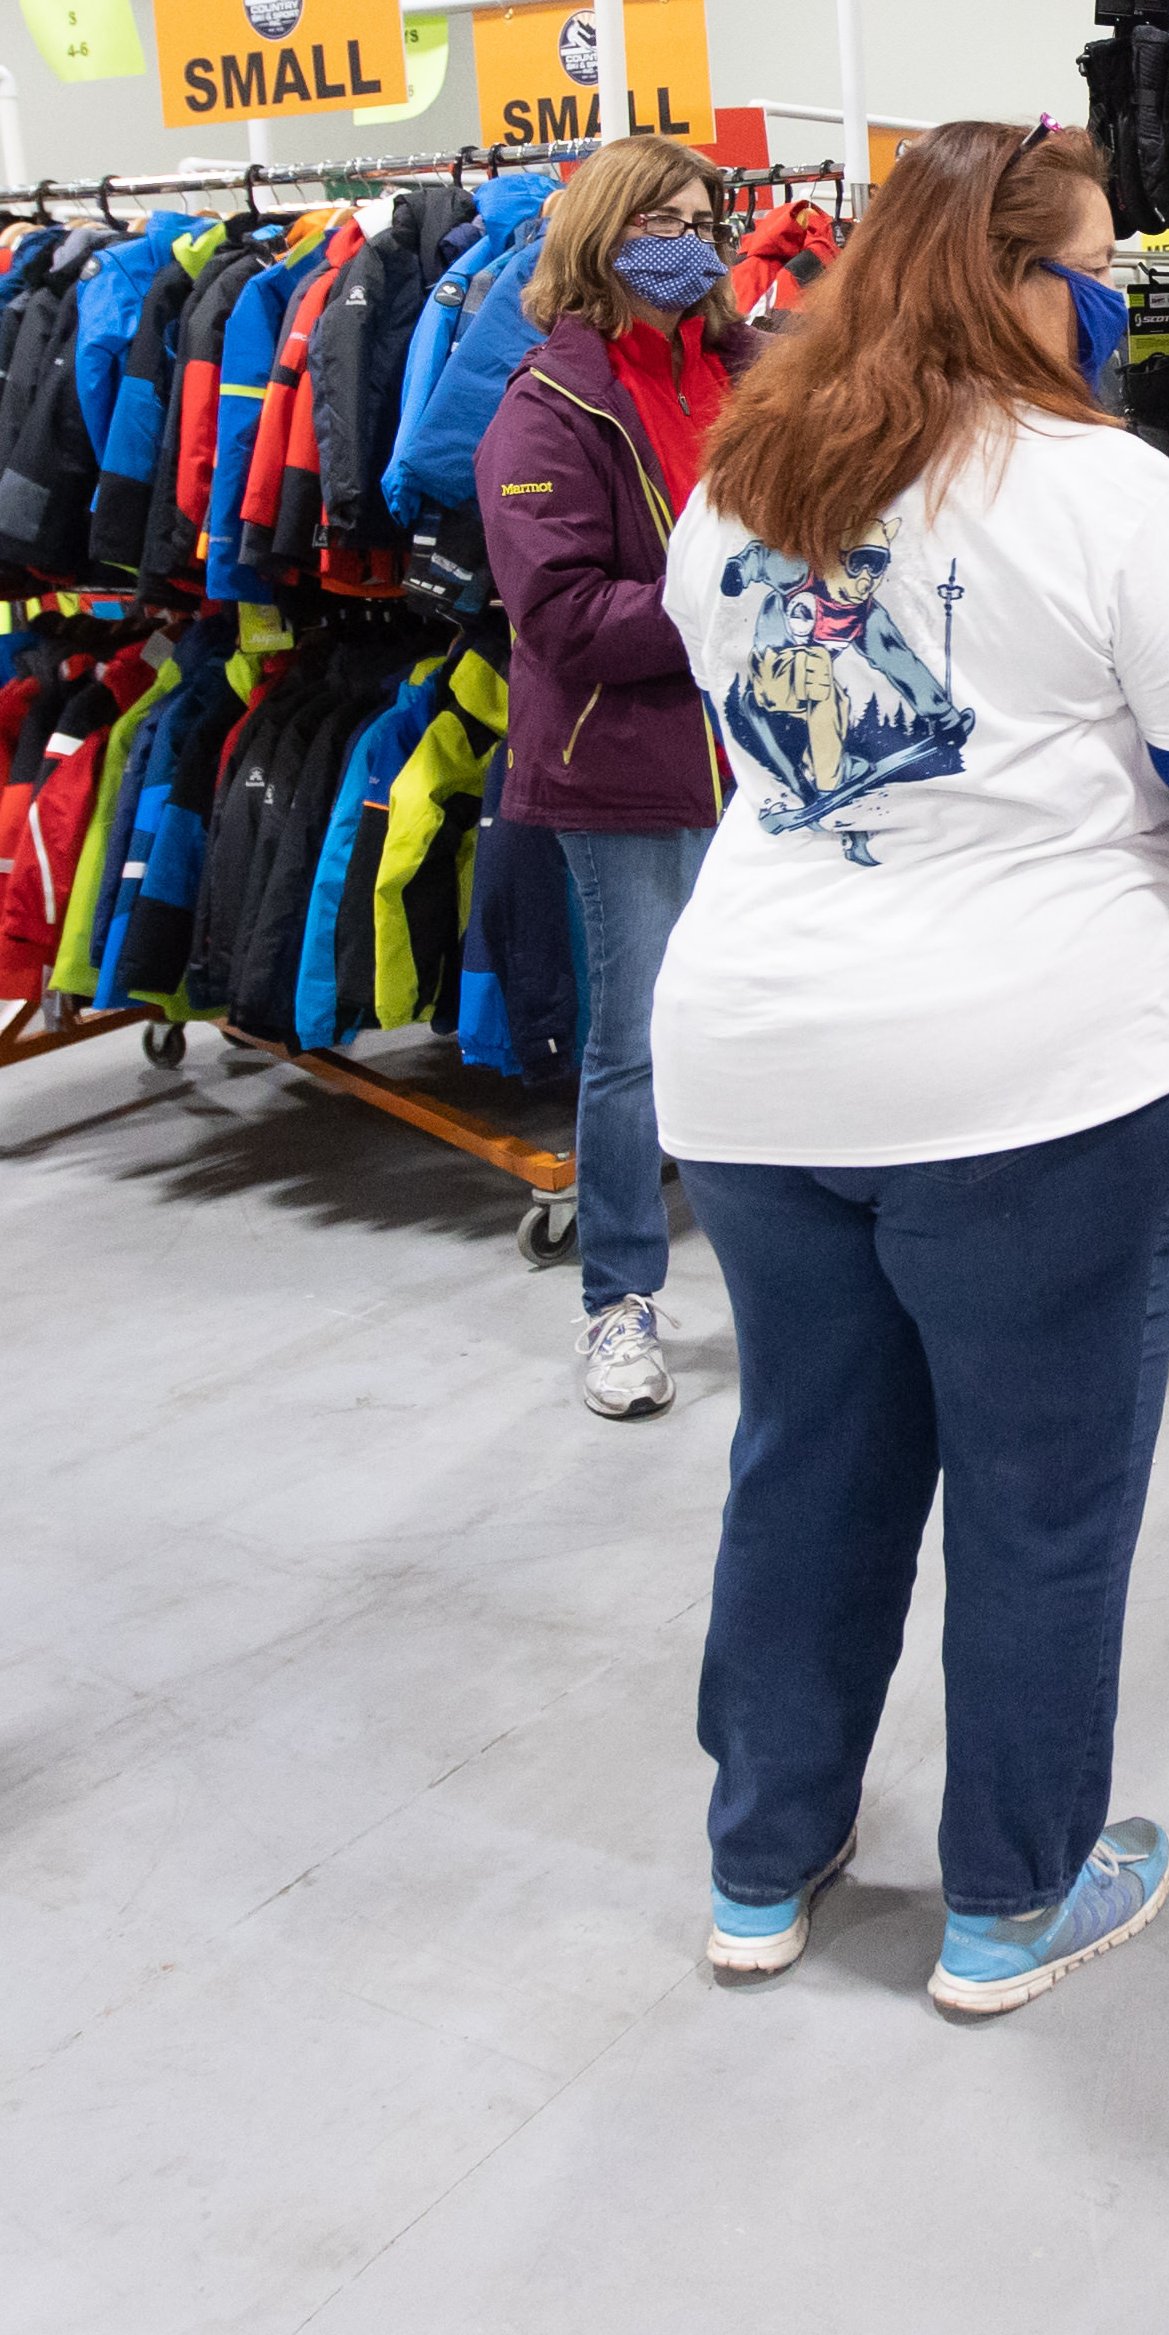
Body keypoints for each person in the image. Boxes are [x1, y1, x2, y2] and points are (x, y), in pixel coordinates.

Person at [649, 120, 1169, 2017]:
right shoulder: (1110, 488)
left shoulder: (742, 477)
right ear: (1019, 280)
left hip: (759, 1055)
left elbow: (754, 732)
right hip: (1032, 1071)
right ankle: (1014, 1890)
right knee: (1037, 1490)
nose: (1111, 292)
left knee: (808, 1462)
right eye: (1095, 259)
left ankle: (764, 1858)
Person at [470, 135, 749, 1424]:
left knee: (767, 1021)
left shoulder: (749, 372)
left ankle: (790, 1282)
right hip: (626, 764)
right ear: (600, 232)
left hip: (773, 753)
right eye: (661, 219)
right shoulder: (548, 403)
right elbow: (565, 614)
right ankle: (619, 1300)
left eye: (702, 217)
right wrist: (740, 604)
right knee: (635, 1042)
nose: (689, 240)